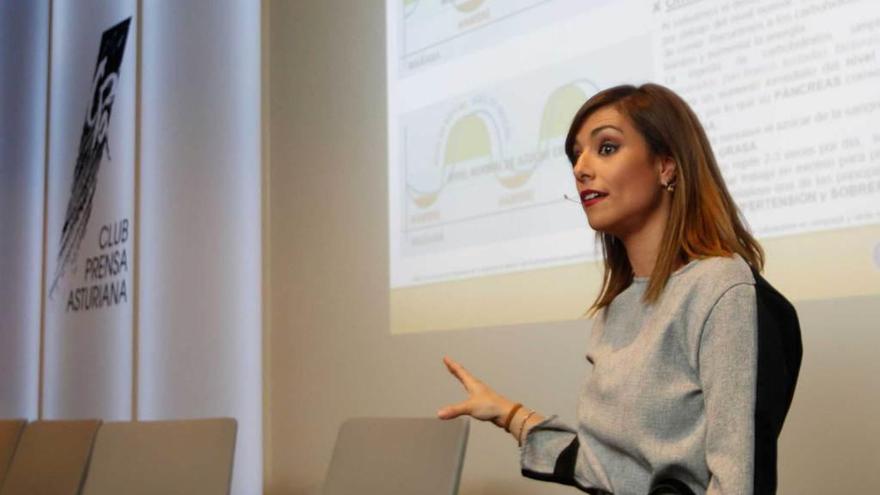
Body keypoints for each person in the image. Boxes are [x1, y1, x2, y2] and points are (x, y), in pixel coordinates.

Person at [436, 83, 802, 495]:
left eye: (606, 148)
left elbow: (738, 482)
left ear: (667, 165)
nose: (580, 168)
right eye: (577, 155)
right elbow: (609, 468)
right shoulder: (621, 305)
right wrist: (508, 414)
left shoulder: (720, 288)